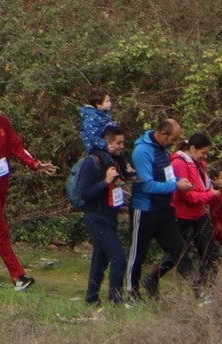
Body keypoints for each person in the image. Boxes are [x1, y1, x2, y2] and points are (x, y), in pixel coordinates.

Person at [0, 93, 51, 290]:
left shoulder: (4, 123)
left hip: (2, 183)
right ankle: (18, 276)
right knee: (1, 229)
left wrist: (34, 164)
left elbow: (16, 146)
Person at [127, 115, 185, 299]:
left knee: (178, 248)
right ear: (162, 134)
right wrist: (175, 185)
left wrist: (177, 181)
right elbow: (147, 185)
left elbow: (168, 177)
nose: (174, 143)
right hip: (144, 209)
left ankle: (152, 279)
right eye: (173, 139)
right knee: (138, 254)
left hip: (164, 208)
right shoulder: (142, 152)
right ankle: (132, 292)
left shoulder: (164, 151)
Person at [76, 123, 131, 306]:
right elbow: (84, 193)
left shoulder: (115, 161)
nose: (122, 147)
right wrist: (106, 181)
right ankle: (116, 301)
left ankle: (91, 298)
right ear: (108, 143)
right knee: (119, 258)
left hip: (110, 215)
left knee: (100, 260)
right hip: (96, 216)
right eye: (119, 143)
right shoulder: (92, 162)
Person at [171, 132, 219, 290]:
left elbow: (201, 186)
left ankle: (209, 286)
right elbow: (189, 196)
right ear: (192, 149)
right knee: (177, 254)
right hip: (182, 215)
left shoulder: (198, 163)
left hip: (199, 213)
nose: (205, 156)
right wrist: (210, 194)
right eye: (203, 152)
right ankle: (153, 279)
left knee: (210, 251)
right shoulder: (179, 164)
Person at [78, 87, 115, 154]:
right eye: (107, 101)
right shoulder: (91, 118)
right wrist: (105, 145)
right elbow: (92, 136)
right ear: (98, 104)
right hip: (95, 149)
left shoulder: (104, 116)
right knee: (107, 161)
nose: (110, 103)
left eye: (110, 100)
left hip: (107, 145)